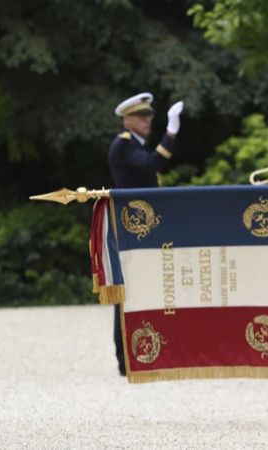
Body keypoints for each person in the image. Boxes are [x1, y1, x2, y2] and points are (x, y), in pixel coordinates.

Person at [107, 93, 184, 376]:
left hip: (143, 226)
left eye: (149, 116)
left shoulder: (134, 145)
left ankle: (144, 351)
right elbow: (155, 165)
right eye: (142, 116)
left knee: (146, 288)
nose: (147, 120)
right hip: (132, 226)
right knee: (128, 293)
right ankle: (125, 358)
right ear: (126, 120)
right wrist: (171, 131)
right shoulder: (123, 146)